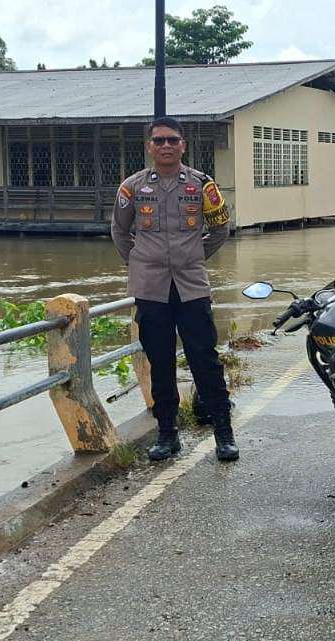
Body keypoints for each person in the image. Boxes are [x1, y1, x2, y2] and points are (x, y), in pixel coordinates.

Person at [110, 116, 238, 463]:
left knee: (205, 360)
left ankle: (224, 435)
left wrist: (196, 256)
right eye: (159, 141)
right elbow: (120, 231)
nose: (166, 146)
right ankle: (167, 435)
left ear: (183, 145)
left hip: (192, 287)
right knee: (160, 362)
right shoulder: (133, 187)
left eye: (172, 140)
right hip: (151, 290)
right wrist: (137, 261)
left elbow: (221, 228)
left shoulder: (201, 185)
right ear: (149, 147)